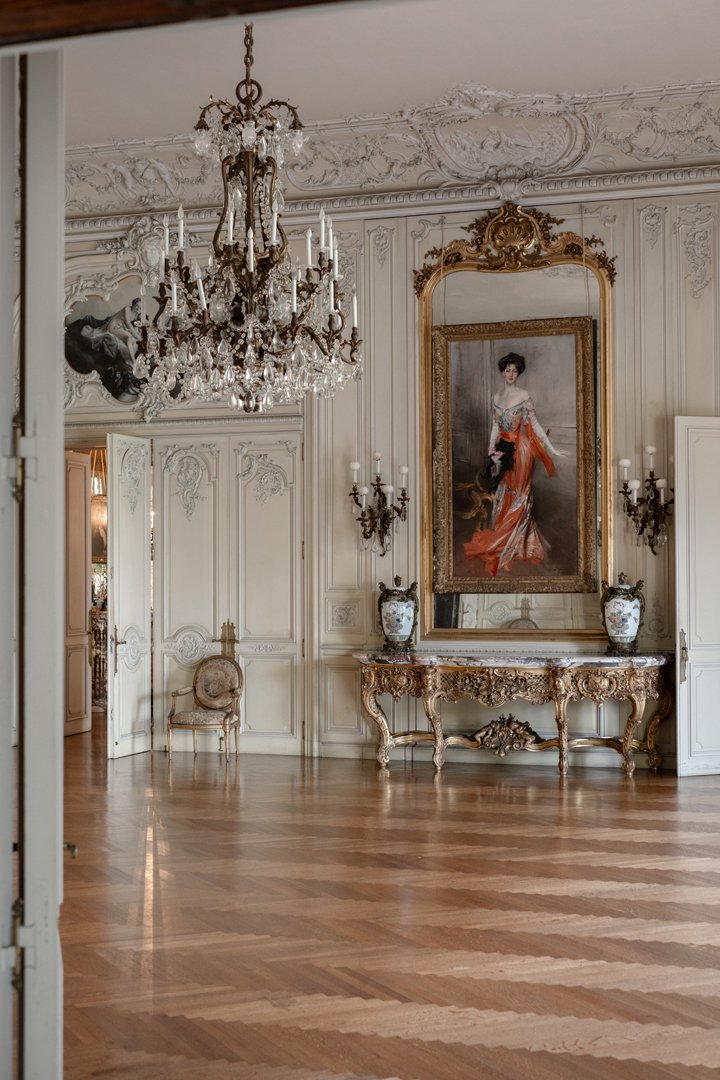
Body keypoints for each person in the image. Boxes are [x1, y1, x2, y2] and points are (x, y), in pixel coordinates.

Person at [463, 351, 565, 577]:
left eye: (515, 370)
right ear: (502, 372)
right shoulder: (496, 397)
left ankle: (517, 542)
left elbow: (534, 424)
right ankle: (507, 537)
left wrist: (549, 445)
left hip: (522, 450)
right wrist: (492, 450)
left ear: (518, 373)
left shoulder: (524, 394)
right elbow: (495, 427)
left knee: (520, 494)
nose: (511, 374)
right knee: (505, 492)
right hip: (502, 449)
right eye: (507, 370)